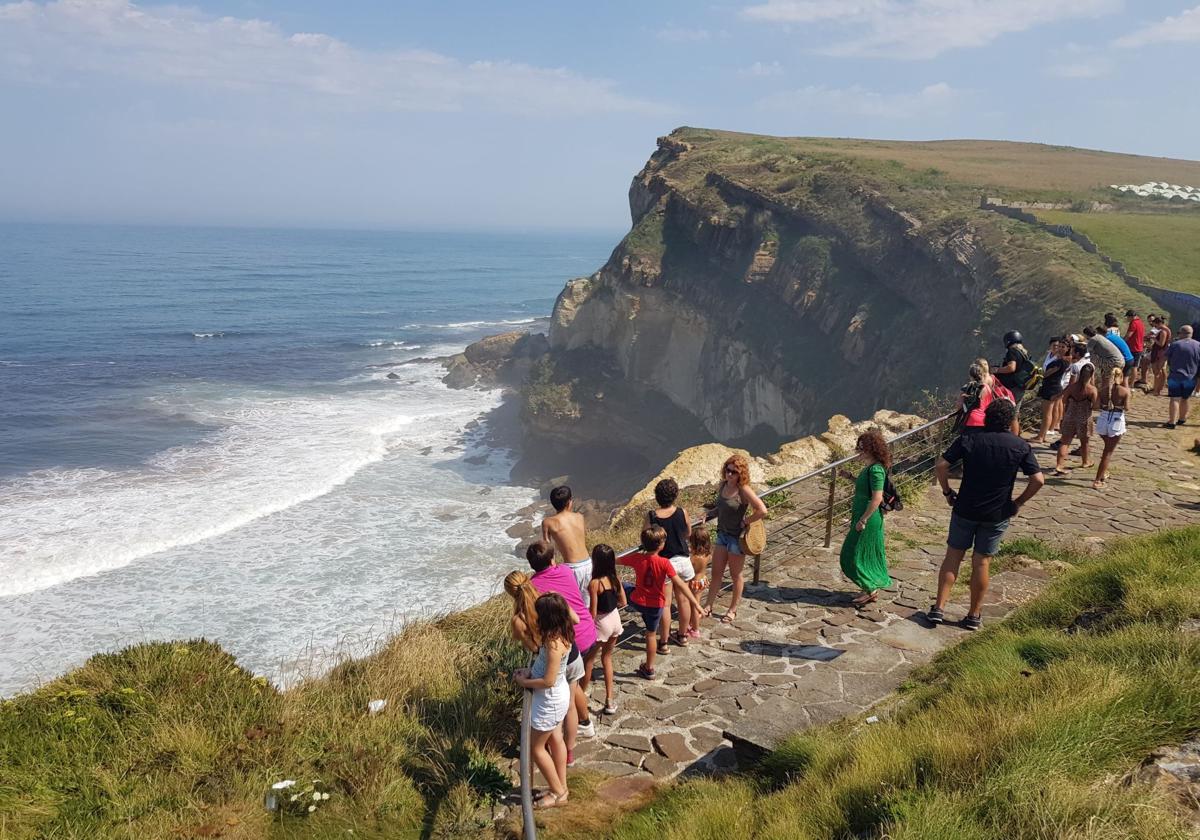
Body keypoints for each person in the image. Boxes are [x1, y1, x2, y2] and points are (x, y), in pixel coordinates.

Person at [930, 399, 1045, 630]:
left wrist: (947, 491)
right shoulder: (1019, 446)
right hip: (997, 512)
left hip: (965, 507)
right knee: (981, 563)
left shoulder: (969, 439)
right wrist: (1018, 503)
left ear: (986, 418)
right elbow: (1038, 480)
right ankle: (973, 614)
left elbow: (942, 465)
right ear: (1012, 420)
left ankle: (939, 609)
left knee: (953, 557)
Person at [526, 541, 598, 755]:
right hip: (587, 628)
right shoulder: (565, 570)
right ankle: (583, 723)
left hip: (570, 638)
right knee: (575, 684)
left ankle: (580, 726)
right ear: (552, 560)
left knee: (571, 690)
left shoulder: (533, 585)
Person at [511, 592, 573, 809]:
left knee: (536, 749)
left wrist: (524, 683)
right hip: (557, 696)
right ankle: (560, 786)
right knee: (556, 739)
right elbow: (548, 670)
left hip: (550, 699)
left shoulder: (554, 644)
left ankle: (559, 792)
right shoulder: (561, 632)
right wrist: (530, 671)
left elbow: (547, 681)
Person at [620, 525, 704, 680]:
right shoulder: (665, 563)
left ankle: (618, 603)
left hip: (638, 600)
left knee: (624, 586)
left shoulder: (637, 558)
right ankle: (649, 668)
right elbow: (679, 584)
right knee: (651, 635)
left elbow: (616, 559)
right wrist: (697, 604)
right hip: (656, 606)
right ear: (661, 545)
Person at [701, 454, 768, 625]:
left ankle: (732, 610)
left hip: (736, 539)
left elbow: (762, 510)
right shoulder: (722, 485)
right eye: (727, 470)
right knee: (716, 572)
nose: (729, 474)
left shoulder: (744, 490)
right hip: (722, 534)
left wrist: (746, 521)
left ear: (741, 474)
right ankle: (708, 605)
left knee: (735, 575)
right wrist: (709, 514)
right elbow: (721, 508)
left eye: (733, 472)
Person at [837, 430, 892, 606]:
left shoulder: (876, 469)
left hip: (867, 518)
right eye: (858, 447)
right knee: (862, 553)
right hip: (862, 516)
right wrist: (851, 477)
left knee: (850, 554)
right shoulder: (871, 468)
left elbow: (877, 497)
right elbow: (865, 489)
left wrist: (863, 520)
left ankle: (870, 588)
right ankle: (868, 588)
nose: (859, 451)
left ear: (871, 449)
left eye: (862, 448)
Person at [648, 478, 695, 650]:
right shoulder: (682, 512)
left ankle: (664, 642)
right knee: (683, 600)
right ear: (675, 495)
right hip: (684, 560)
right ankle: (682, 636)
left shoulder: (653, 516)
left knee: (666, 604)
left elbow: (645, 537)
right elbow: (688, 532)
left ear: (657, 496)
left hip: (666, 563)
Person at [586, 544, 626, 716]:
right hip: (615, 618)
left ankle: (581, 691)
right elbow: (623, 601)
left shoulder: (595, 583)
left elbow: (593, 612)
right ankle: (609, 700)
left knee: (588, 660)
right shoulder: (614, 579)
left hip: (601, 622)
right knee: (607, 658)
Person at [542, 486, 591, 602]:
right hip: (588, 563)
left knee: (574, 603)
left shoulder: (548, 522)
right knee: (590, 602)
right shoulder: (580, 517)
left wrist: (553, 568)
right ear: (570, 502)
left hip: (571, 568)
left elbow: (546, 549)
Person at [1053, 361, 1098, 475]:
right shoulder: (1092, 390)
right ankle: (1085, 461)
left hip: (1070, 416)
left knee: (1065, 442)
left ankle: (1059, 465)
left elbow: (1064, 400)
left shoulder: (1071, 387)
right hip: (1084, 418)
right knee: (1085, 442)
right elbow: (1096, 406)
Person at [1093, 367, 1130, 489]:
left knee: (1107, 449)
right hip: (1116, 420)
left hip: (1103, 419)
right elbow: (1127, 408)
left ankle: (1103, 473)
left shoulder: (1102, 390)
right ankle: (1098, 479)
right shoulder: (1125, 391)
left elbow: (1097, 406)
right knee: (1107, 452)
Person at [956, 359, 1014, 434]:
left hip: (970, 421)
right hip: (984, 420)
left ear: (970, 375)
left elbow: (959, 406)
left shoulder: (967, 387)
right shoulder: (987, 387)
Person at [1033, 338, 1069, 444]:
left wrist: (1038, 374)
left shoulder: (1061, 362)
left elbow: (1047, 374)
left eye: (1063, 347)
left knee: (1047, 413)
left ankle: (1041, 436)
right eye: (1059, 346)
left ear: (1067, 349)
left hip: (1052, 387)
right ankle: (1042, 435)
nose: (1060, 349)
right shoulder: (1060, 360)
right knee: (1047, 412)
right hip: (1051, 386)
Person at [1165, 324, 1200, 428]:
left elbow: (1166, 357)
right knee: (1185, 398)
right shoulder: (1198, 345)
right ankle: (1182, 419)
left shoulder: (1175, 344)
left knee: (1174, 399)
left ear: (1182, 333)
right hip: (1191, 377)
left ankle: (1172, 422)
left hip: (1175, 376)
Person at [1084, 326, 1124, 407]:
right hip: (1120, 360)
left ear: (1087, 334)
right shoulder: (1099, 337)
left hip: (1112, 361)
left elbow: (1087, 352)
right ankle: (1112, 400)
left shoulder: (1093, 339)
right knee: (1113, 381)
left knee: (1106, 381)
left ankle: (1104, 402)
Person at [992, 330, 1034, 406]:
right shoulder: (1023, 352)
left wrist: (997, 370)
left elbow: (1011, 368)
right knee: (1015, 412)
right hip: (1020, 385)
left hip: (1012, 387)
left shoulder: (1012, 351)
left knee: (1008, 410)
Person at [684, 525, 711, 638]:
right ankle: (693, 623)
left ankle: (695, 629)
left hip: (694, 583)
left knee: (694, 606)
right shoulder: (707, 554)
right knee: (696, 603)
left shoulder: (693, 558)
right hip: (702, 580)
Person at [1103, 314, 1136, 381]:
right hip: (1129, 357)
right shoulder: (1116, 329)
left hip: (1121, 358)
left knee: (1115, 379)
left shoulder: (1108, 334)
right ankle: (1127, 390)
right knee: (1124, 379)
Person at [1150, 315, 1172, 396]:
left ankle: (1156, 390)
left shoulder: (1163, 331)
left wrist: (1154, 338)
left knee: (1156, 372)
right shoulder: (1166, 329)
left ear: (1158, 323)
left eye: (1155, 325)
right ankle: (1159, 388)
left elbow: (1161, 344)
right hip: (1163, 352)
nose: (1155, 327)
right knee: (1161, 370)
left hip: (1159, 353)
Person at [1125, 309, 1147, 386]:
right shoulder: (1140, 322)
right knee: (1135, 366)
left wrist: (1122, 342)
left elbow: (1129, 335)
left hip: (1133, 348)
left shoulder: (1133, 323)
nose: (1127, 319)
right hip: (1139, 347)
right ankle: (1131, 383)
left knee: (1131, 366)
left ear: (1131, 317)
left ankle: (1129, 384)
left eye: (1128, 317)